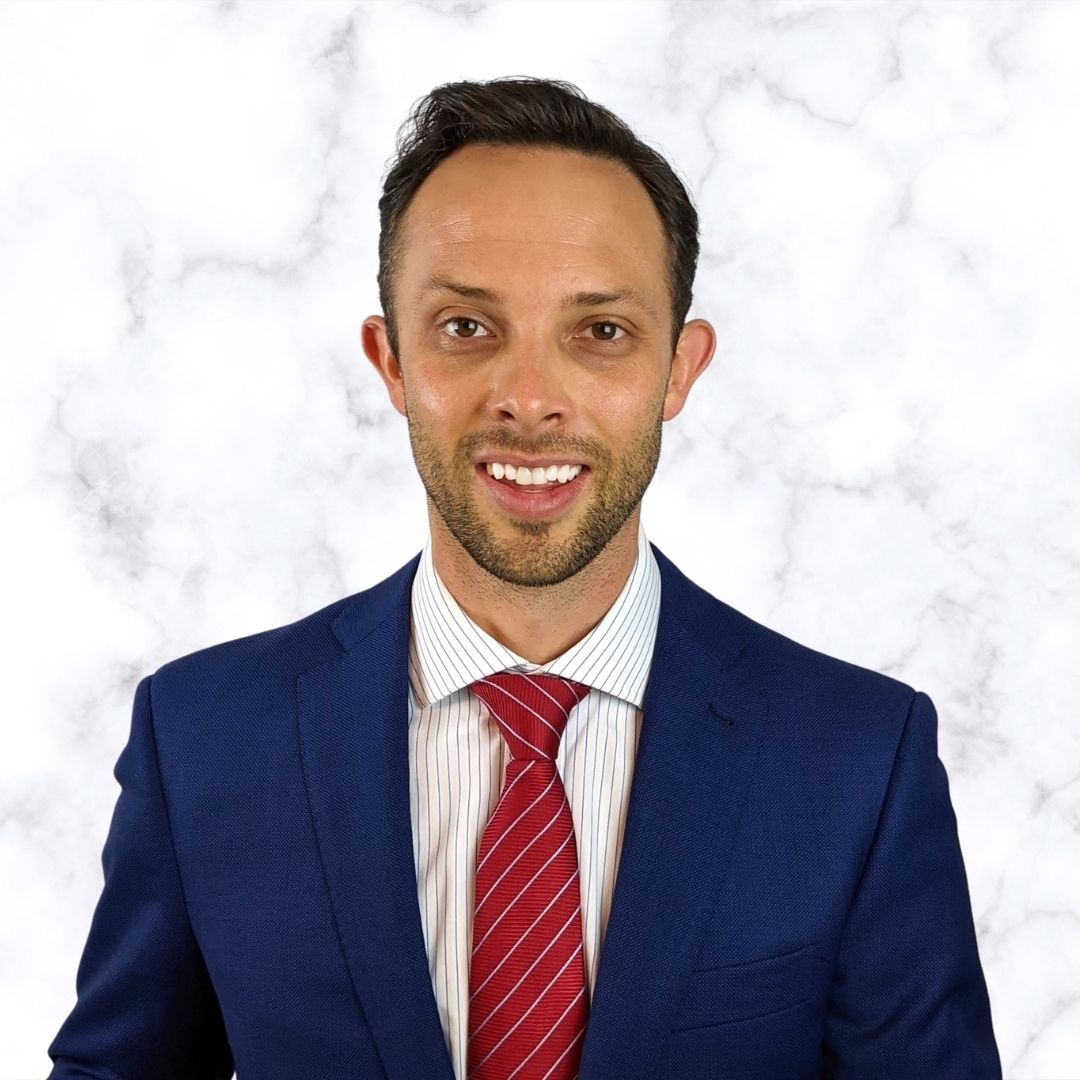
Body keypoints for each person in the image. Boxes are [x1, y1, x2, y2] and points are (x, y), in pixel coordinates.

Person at [48, 77, 1001, 1080]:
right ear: (391, 360)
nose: (531, 399)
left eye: (601, 332)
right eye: (467, 327)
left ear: (680, 368)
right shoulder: (203, 739)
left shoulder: (858, 760)